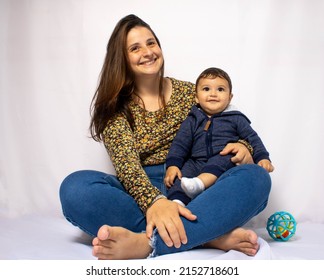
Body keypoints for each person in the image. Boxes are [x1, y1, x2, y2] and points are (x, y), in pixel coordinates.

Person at [59, 14, 272, 260]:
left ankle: (148, 243)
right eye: (135, 48)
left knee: (256, 177)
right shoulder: (116, 108)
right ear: (123, 59)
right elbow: (128, 169)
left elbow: (226, 122)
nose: (147, 52)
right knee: (75, 188)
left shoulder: (190, 92)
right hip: (139, 188)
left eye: (151, 43)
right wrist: (155, 203)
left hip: (193, 184)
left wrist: (243, 146)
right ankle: (209, 235)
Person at [165, 67, 274, 206]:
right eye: (206, 89)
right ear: (196, 97)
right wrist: (173, 165)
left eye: (220, 89)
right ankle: (177, 202)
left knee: (227, 156)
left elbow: (252, 138)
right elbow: (180, 143)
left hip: (222, 159)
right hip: (196, 161)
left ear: (230, 97)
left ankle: (199, 183)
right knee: (179, 176)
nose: (213, 94)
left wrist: (263, 157)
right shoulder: (192, 119)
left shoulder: (236, 118)